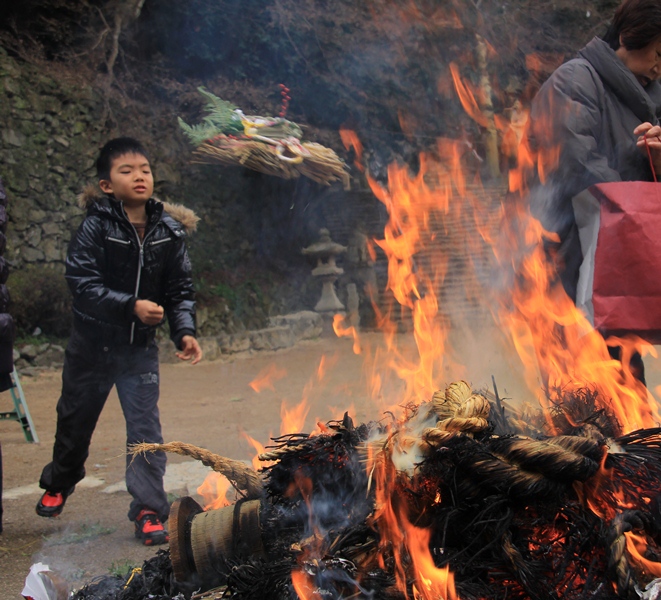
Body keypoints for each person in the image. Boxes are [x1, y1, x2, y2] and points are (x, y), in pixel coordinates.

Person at [36, 137, 203, 546]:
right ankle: (61, 479)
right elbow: (82, 284)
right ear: (107, 184)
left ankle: (148, 510)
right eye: (126, 171)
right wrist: (131, 305)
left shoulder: (169, 231)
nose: (139, 177)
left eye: (144, 169)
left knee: (145, 431)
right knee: (75, 424)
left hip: (138, 352)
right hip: (91, 348)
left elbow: (180, 289)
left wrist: (184, 331)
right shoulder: (95, 226)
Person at [526, 0, 661, 384]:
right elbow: (574, 163)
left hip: (624, 269)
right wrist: (633, 199)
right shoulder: (575, 81)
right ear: (629, 37)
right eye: (659, 52)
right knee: (578, 393)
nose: (659, 65)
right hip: (573, 262)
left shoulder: (651, 97)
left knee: (627, 390)